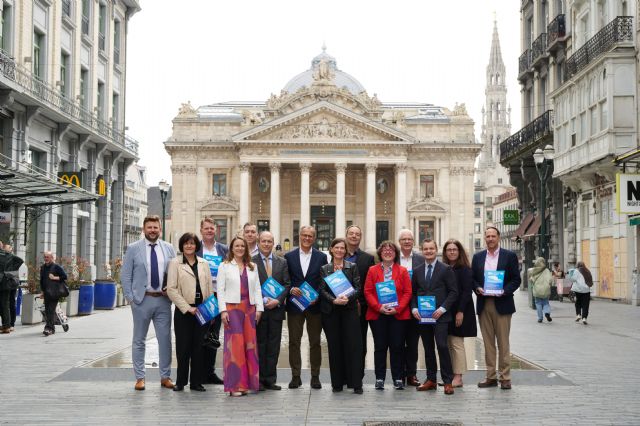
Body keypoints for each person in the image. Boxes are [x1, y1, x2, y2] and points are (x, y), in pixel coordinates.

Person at [121, 215, 177, 391]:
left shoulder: (168, 248)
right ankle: (140, 378)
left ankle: (165, 376)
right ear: (144, 229)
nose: (153, 230)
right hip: (141, 300)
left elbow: (175, 272)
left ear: (160, 229)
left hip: (163, 300)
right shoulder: (133, 249)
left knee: (165, 339)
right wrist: (131, 298)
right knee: (139, 340)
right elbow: (125, 275)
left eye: (155, 227)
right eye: (149, 227)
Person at [471, 226, 521, 390]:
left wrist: (504, 291)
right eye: (488, 236)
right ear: (485, 238)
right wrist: (477, 288)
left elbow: (516, 279)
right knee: (487, 343)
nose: (490, 239)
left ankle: (505, 377)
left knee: (503, 343)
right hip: (484, 303)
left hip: (503, 303)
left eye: (493, 236)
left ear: (498, 238)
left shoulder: (509, 256)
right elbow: (473, 280)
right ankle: (490, 376)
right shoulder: (478, 257)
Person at [166, 232, 213, 392]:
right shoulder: (175, 263)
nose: (189, 246)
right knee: (183, 347)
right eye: (186, 243)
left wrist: (210, 311)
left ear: (196, 246)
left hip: (202, 309)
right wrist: (187, 307)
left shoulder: (204, 263)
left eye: (192, 243)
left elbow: (209, 288)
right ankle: (181, 381)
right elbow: (171, 289)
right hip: (184, 311)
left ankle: (196, 382)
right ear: (182, 245)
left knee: (199, 347)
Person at [217, 236, 264, 396]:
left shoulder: (252, 266)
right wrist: (223, 311)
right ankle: (235, 386)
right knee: (234, 346)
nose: (239, 248)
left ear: (246, 248)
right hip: (232, 309)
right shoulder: (224, 266)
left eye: (242, 246)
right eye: (236, 246)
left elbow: (257, 288)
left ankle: (248, 384)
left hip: (249, 309)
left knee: (250, 346)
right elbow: (220, 290)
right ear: (231, 248)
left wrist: (259, 309)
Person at [410, 239, 458, 395]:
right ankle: (430, 379)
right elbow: (413, 293)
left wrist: (443, 309)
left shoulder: (445, 269)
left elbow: (453, 292)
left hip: (440, 317)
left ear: (436, 250)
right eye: (426, 249)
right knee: (428, 348)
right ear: (422, 251)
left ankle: (447, 381)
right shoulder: (417, 270)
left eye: (431, 249)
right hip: (423, 317)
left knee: (442, 346)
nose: (429, 251)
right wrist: (414, 308)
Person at [364, 241, 412, 391]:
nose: (387, 252)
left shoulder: (402, 271)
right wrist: (379, 307)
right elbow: (368, 291)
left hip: (398, 315)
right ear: (380, 253)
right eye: (384, 250)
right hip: (378, 314)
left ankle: (398, 378)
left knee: (397, 347)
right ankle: (379, 378)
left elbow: (407, 292)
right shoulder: (372, 270)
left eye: (391, 250)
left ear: (395, 253)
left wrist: (397, 308)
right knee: (380, 347)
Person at [284, 225, 328, 389]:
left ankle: (315, 376)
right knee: (294, 342)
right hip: (295, 305)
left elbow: (323, 280)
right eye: (304, 235)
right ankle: (296, 376)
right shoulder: (289, 256)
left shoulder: (321, 257)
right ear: (299, 236)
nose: (307, 238)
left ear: (314, 238)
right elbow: (286, 279)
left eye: (310, 236)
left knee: (315, 342)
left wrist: (317, 294)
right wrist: (290, 290)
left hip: (314, 306)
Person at [320, 238, 363, 394]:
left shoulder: (352, 267)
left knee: (353, 347)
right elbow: (322, 290)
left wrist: (347, 298)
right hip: (332, 312)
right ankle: (337, 383)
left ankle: (356, 383)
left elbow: (358, 288)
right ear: (331, 249)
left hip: (349, 310)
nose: (339, 250)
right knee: (335, 347)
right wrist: (334, 300)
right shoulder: (325, 268)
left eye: (342, 248)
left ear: (345, 251)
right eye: (336, 248)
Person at [253, 231, 290, 391]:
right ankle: (259, 379)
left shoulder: (281, 262)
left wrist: (278, 300)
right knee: (259, 344)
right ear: (258, 242)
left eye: (269, 241)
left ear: (273, 243)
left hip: (276, 310)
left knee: (274, 345)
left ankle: (270, 379)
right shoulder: (251, 262)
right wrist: (260, 302)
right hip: (258, 311)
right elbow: (250, 285)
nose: (266, 244)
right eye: (264, 241)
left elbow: (287, 284)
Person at [196, 217, 229, 385]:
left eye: (212, 228)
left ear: (216, 230)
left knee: (214, 335)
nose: (209, 230)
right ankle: (198, 373)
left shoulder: (224, 250)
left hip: (218, 296)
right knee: (200, 334)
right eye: (206, 228)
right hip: (201, 297)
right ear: (201, 230)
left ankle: (210, 372)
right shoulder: (195, 249)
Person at [442, 239, 477, 388]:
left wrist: (460, 311)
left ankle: (458, 377)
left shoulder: (465, 269)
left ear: (459, 252)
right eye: (449, 250)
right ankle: (451, 376)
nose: (451, 252)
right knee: (449, 343)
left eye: (454, 249)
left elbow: (466, 292)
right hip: (447, 311)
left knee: (457, 344)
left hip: (460, 311)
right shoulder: (445, 268)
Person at [344, 225, 375, 379]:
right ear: (346, 235)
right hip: (340, 306)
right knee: (343, 342)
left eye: (357, 234)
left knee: (360, 343)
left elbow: (369, 284)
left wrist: (359, 300)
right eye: (351, 233)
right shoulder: (337, 255)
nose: (354, 236)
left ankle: (358, 376)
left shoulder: (368, 259)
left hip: (359, 307)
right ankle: (344, 375)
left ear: (360, 237)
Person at [397, 228, 425, 387]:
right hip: (398, 306)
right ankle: (399, 373)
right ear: (399, 242)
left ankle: (412, 374)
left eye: (409, 239)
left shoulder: (421, 260)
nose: (407, 242)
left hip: (416, 307)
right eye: (403, 239)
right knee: (398, 342)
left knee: (413, 343)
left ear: (413, 241)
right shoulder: (393, 259)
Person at [38, 252, 67, 336]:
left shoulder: (56, 267)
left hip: (55, 292)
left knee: (50, 310)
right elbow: (41, 281)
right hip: (47, 293)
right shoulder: (43, 267)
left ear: (52, 258)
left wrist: (54, 277)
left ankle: (48, 328)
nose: (46, 258)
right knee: (47, 311)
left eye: (47, 257)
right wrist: (42, 292)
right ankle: (51, 328)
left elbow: (65, 277)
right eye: (45, 257)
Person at [0, 245, 23, 334]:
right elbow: (20, 260)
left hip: (3, 282)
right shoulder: (8, 254)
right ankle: (7, 326)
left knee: (5, 305)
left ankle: (7, 325)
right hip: (6, 282)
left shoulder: (5, 254)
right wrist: (11, 271)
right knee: (5, 305)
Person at [528, 257, 553, 323]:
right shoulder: (547, 270)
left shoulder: (534, 270)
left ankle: (540, 318)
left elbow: (531, 279)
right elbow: (550, 279)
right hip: (545, 289)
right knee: (546, 303)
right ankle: (547, 312)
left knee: (538, 303)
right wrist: (549, 284)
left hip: (537, 290)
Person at [4, 245, 20, 332]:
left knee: (11, 303)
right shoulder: (4, 258)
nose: (5, 251)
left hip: (12, 283)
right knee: (5, 304)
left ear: (11, 250)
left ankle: (12, 323)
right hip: (5, 284)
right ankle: (7, 323)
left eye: (7, 250)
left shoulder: (14, 259)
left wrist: (10, 254)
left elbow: (21, 261)